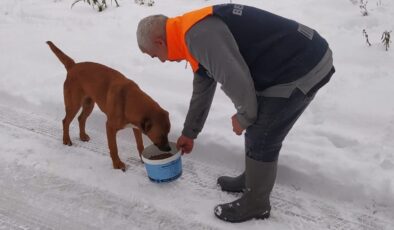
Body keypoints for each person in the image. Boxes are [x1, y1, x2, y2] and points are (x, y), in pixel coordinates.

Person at [136, 4, 335, 223]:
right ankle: (253, 179)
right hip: (292, 59)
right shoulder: (187, 33)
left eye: (156, 56)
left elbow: (235, 78)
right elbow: (203, 86)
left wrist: (244, 117)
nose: (162, 61)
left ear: (159, 42)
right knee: (257, 123)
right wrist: (189, 133)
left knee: (262, 135)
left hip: (303, 65)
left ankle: (257, 204)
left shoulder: (198, 36)